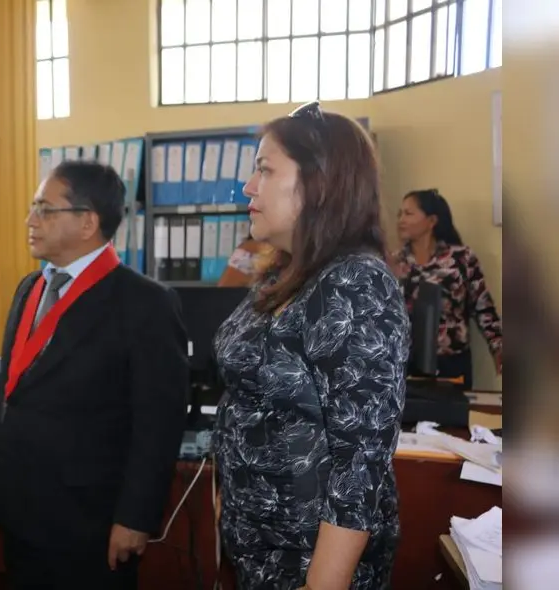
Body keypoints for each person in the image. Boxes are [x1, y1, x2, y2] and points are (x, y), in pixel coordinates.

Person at [212, 102, 409, 590]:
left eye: (264, 170)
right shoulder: (285, 272)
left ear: (318, 182)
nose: (248, 187)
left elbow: (360, 465)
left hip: (311, 567)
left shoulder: (355, 284)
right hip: (258, 555)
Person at [0, 160, 189, 589]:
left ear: (88, 221)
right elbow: (11, 389)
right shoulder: (30, 288)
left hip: (90, 516)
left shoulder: (144, 302)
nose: (29, 220)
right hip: (21, 502)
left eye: (44, 209)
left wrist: (135, 518)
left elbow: (159, 425)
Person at [390, 188, 503, 388]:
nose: (401, 220)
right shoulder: (394, 262)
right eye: (400, 214)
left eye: (408, 213)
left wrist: (498, 348)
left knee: (452, 419)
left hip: (452, 364)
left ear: (432, 221)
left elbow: (483, 307)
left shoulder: (461, 259)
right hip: (406, 365)